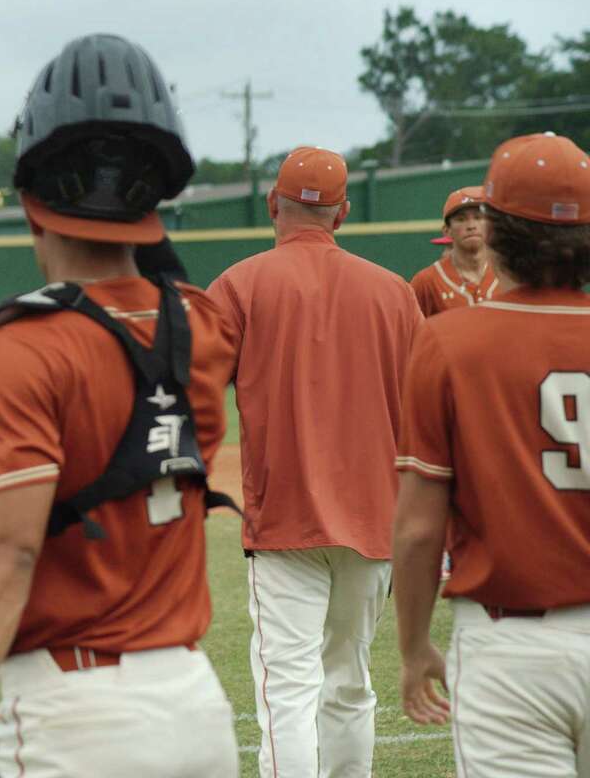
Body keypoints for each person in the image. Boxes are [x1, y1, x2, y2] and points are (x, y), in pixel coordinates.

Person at [0, 33, 240, 778]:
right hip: (198, 705)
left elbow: (7, 548)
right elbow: (158, 290)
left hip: (79, 713)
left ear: (30, 202)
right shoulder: (206, 326)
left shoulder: (25, 346)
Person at [206, 146, 421, 778]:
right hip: (376, 519)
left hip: (284, 521)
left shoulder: (241, 283)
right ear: (343, 212)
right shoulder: (395, 292)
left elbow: (194, 395)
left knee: (288, 691)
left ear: (275, 203)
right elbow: (425, 417)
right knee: (351, 683)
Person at [394, 132, 590, 777]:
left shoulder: (452, 342)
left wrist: (415, 645)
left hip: (515, 648)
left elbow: (420, 527)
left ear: (497, 231)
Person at [410, 186, 498, 316]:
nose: (471, 226)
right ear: (447, 231)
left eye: (478, 217)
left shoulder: (510, 275)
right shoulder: (426, 282)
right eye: (461, 219)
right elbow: (409, 331)